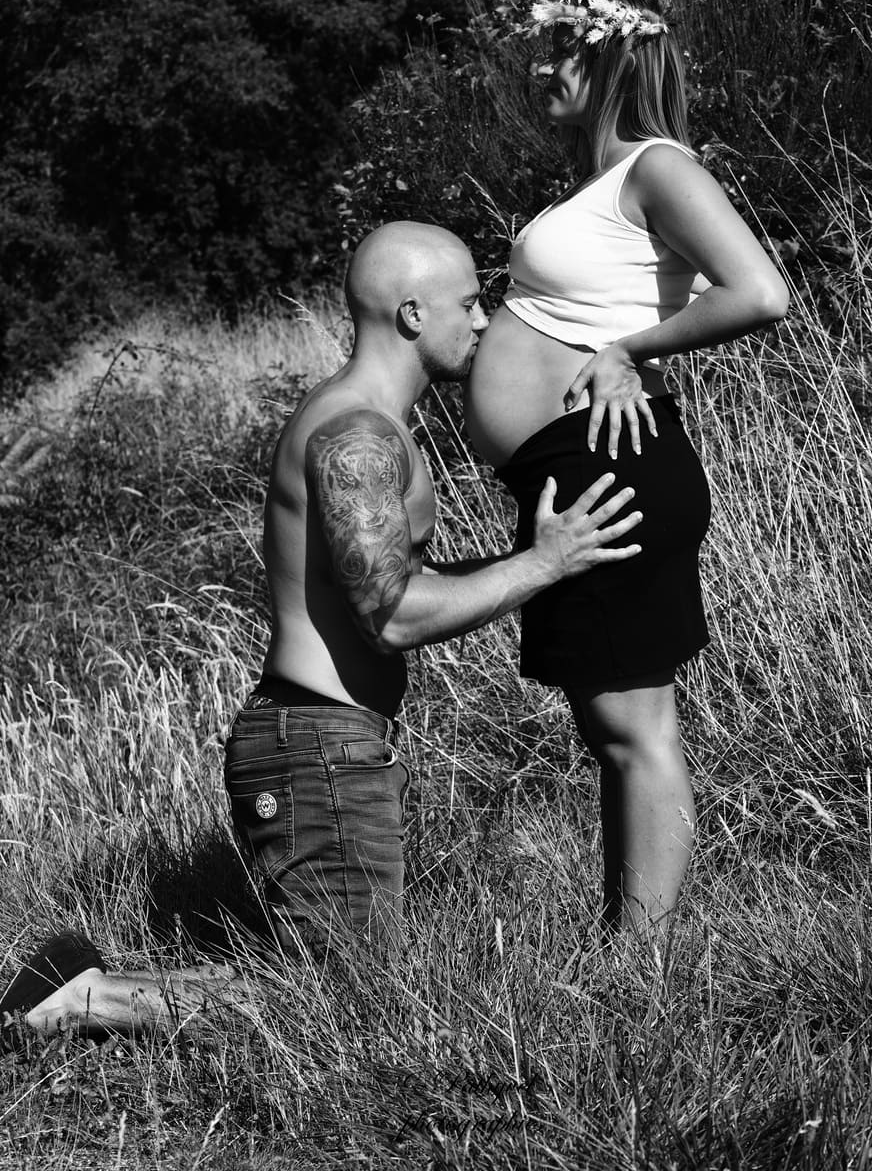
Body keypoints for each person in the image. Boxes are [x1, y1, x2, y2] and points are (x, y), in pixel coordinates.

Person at [1, 220, 643, 1039]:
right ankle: (81, 1000)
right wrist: (543, 565)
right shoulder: (358, 434)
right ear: (412, 314)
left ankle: (83, 984)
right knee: (338, 1006)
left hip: (324, 739)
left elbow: (386, 581)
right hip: (316, 744)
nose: (483, 321)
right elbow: (393, 614)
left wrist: (536, 557)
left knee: (325, 985)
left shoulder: (365, 421)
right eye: (469, 303)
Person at [464, 0, 790, 934]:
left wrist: (625, 350)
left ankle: (637, 968)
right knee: (610, 730)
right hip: (579, 467)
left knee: (635, 731)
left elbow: (760, 293)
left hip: (614, 464)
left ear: (610, 57)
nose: (542, 68)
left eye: (560, 48)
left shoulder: (658, 168)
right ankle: (629, 949)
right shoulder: (601, 181)